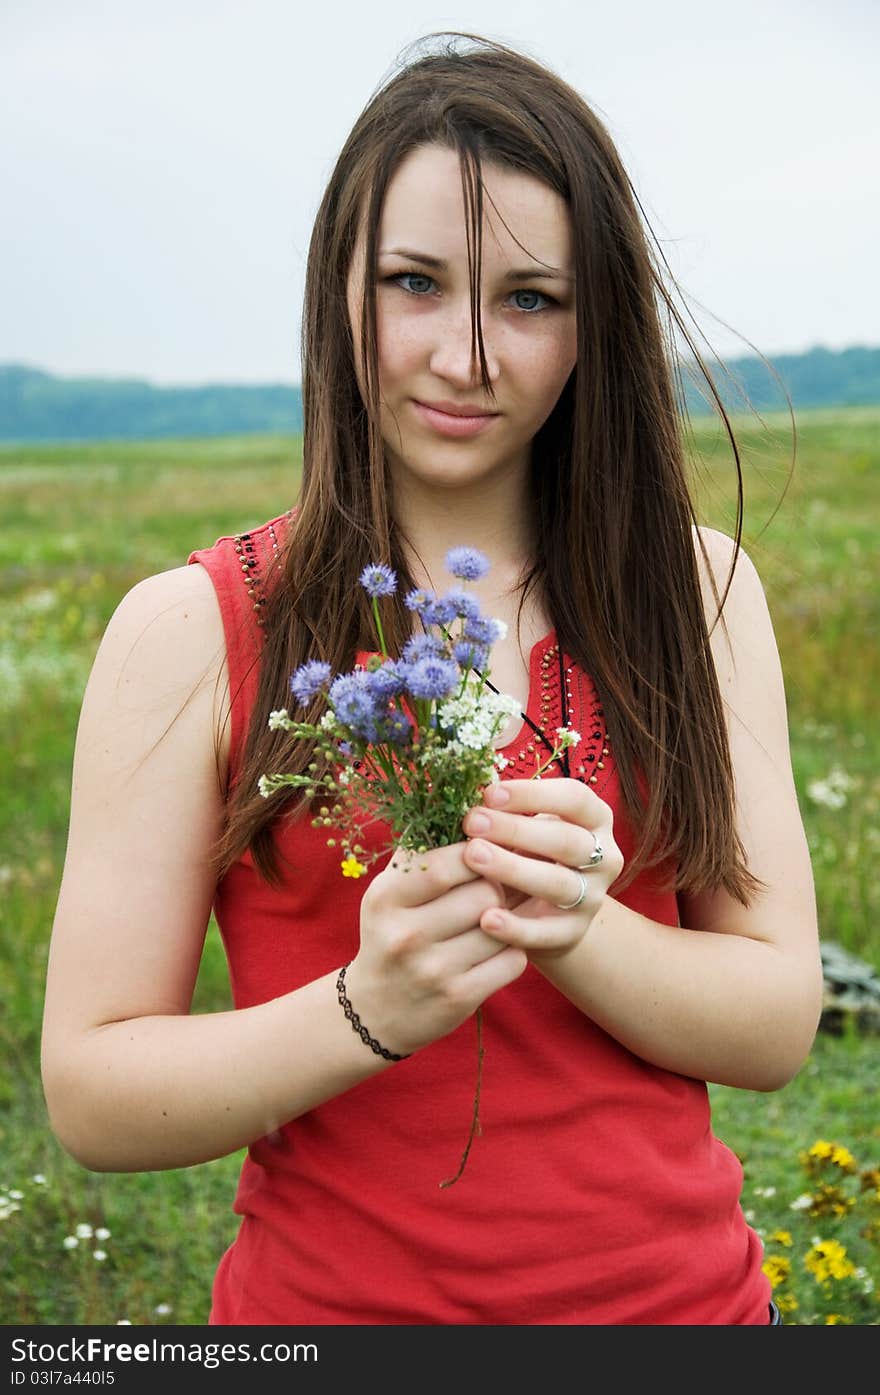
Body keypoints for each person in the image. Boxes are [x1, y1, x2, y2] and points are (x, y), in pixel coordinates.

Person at [41, 31, 822, 1326]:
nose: (469, 356)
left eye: (530, 298)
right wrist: (369, 1005)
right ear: (336, 290)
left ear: (595, 325)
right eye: (415, 282)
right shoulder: (194, 629)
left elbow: (777, 1022)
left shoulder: (699, 593)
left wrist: (578, 926)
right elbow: (90, 1093)